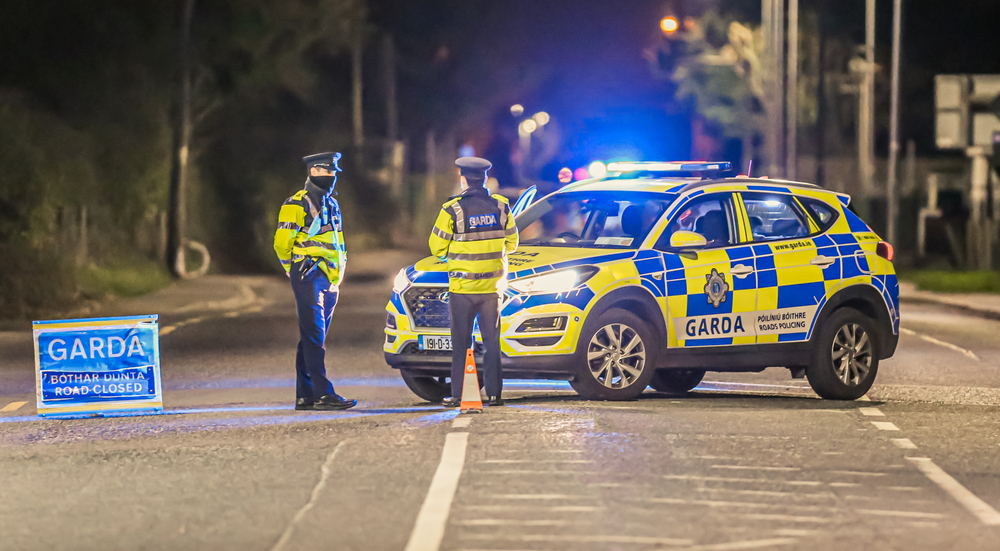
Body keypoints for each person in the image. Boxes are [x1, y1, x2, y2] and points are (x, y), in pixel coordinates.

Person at [429, 157, 518, 407]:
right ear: (485, 178)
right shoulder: (502, 208)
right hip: (492, 289)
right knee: (492, 344)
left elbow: (436, 248)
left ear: (463, 179)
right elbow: (513, 244)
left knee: (460, 344)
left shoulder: (452, 210)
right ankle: (495, 395)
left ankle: (458, 394)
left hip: (462, 289)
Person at [273, 151, 356, 411]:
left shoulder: (332, 204)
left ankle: (305, 395)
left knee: (313, 337)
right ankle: (323, 394)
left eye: (334, 173)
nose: (331, 177)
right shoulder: (295, 204)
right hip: (308, 274)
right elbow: (281, 243)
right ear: (313, 172)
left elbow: (338, 241)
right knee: (314, 335)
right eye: (326, 172)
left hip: (330, 278)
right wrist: (291, 269)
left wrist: (339, 273)